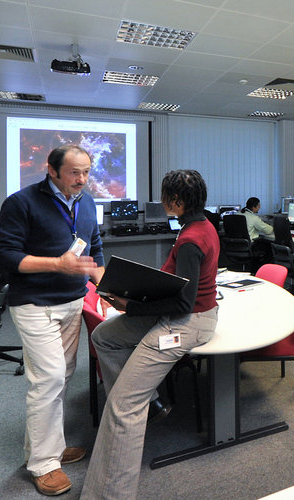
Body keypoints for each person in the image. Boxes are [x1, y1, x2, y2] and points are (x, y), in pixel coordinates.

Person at [81, 170, 219, 500]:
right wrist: (141, 292)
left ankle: (112, 493)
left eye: (164, 196)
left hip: (187, 323)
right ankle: (151, 403)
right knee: (104, 337)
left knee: (122, 406)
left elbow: (183, 304)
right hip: (184, 314)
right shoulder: (201, 226)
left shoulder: (190, 239)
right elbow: (181, 285)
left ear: (177, 201)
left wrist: (132, 305)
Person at [0, 144, 104, 496]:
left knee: (60, 377)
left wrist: (105, 281)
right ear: (52, 170)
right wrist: (56, 263)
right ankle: (43, 464)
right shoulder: (21, 202)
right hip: (34, 303)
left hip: (72, 300)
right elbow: (4, 256)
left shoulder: (85, 202)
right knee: (49, 378)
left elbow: (94, 245)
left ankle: (48, 448)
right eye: (74, 172)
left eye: (86, 172)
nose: (81, 179)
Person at [242, 196, 274, 268]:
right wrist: (273, 226)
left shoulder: (238, 214)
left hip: (237, 245)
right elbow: (268, 231)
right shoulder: (254, 218)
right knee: (270, 247)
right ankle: (261, 270)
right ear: (254, 207)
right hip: (250, 245)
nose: (259, 207)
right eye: (258, 206)